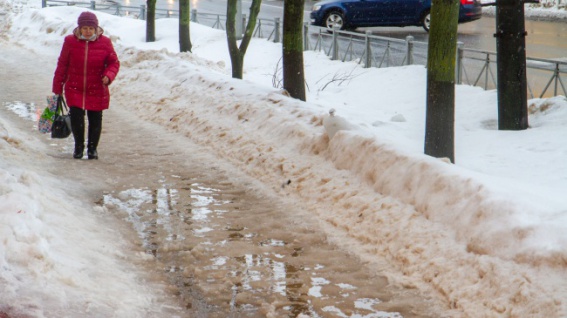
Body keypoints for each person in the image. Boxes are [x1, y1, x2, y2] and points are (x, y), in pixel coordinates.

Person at [52, 11, 120, 160]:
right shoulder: (70, 41)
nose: (88, 31)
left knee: (95, 118)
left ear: (96, 28)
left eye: (91, 28)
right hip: (74, 87)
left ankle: (92, 149)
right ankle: (78, 147)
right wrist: (57, 86)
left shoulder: (105, 42)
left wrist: (108, 76)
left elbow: (114, 63)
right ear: (79, 28)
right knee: (76, 117)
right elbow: (63, 64)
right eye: (85, 28)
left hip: (96, 87)